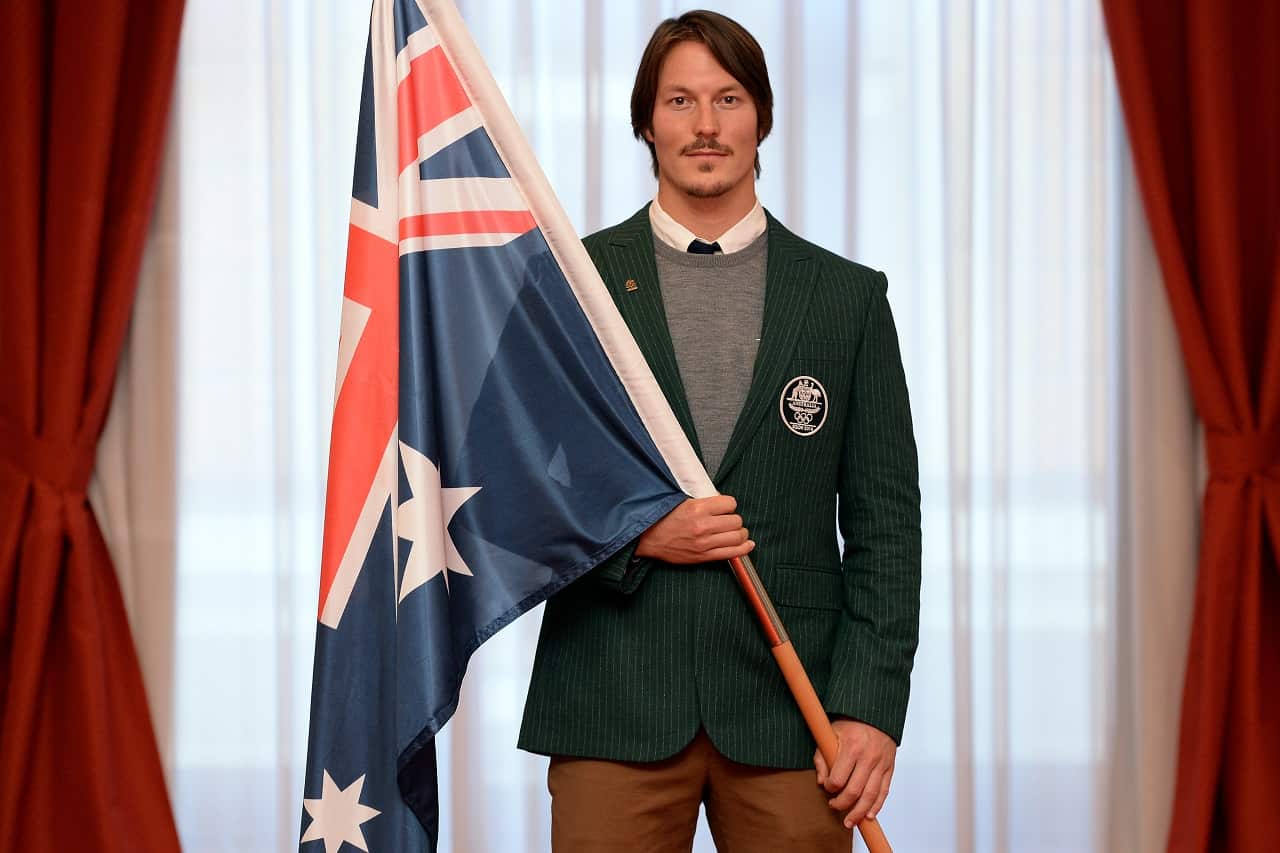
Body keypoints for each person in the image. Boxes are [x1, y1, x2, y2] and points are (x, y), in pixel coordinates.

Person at [519, 10, 921, 852]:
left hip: (795, 717)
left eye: (728, 98)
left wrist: (871, 710)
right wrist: (643, 533)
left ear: (762, 117)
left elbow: (887, 527)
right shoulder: (572, 286)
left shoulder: (847, 299)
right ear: (646, 122)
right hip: (610, 703)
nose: (705, 125)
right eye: (679, 100)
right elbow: (518, 488)